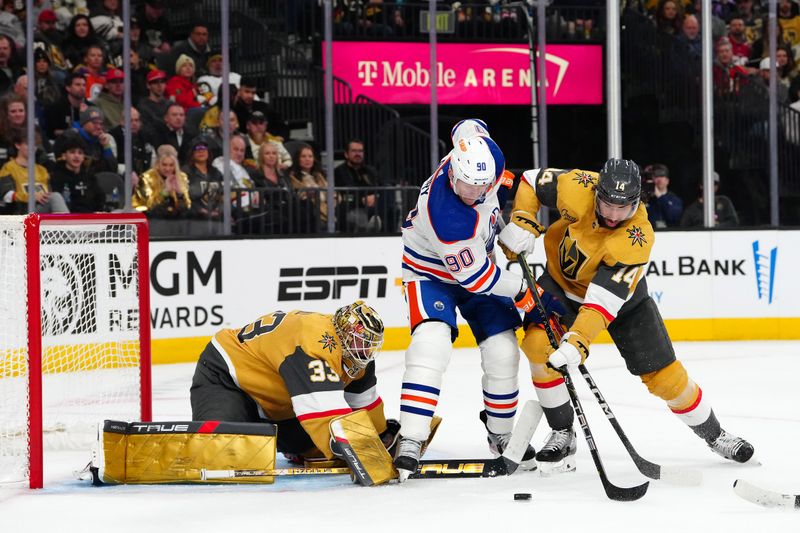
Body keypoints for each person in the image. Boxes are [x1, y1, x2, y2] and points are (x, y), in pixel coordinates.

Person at [497, 159, 755, 475]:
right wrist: (523, 220)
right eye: (607, 204)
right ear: (596, 193)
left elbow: (600, 305)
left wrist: (578, 342)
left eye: (624, 207)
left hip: (624, 305)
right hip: (560, 288)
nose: (614, 215)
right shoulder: (577, 184)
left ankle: (715, 435)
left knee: (665, 379)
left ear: (637, 201)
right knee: (538, 347)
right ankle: (563, 432)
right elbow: (531, 181)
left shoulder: (636, 238)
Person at [393, 119, 547, 481]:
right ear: (453, 172)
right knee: (430, 345)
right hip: (431, 272)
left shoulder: (481, 150)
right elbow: (477, 280)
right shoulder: (447, 215)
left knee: (503, 352)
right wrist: (524, 289)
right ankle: (411, 436)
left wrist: (510, 227)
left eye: (480, 186)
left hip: (479, 260)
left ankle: (500, 433)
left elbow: (468, 123)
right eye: (463, 184)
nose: (470, 193)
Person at [189, 300, 395, 465]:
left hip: (279, 404)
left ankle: (283, 442)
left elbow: (364, 403)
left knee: (318, 450)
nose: (365, 351)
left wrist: (382, 436)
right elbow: (324, 412)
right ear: (343, 333)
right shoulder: (314, 343)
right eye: (361, 342)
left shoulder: (359, 357)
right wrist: (360, 449)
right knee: (218, 453)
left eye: (369, 345)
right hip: (229, 379)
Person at [0, 131, 69, 215]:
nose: (32, 147)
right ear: (17, 145)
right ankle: (67, 226)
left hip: (40, 210)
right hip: (20, 213)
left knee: (54, 197)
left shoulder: (42, 170)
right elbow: (7, 196)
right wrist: (31, 197)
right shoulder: (8, 167)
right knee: (55, 197)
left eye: (35, 145)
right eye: (28, 144)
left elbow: (48, 195)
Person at [334, 138, 384, 233]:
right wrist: (363, 198)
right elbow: (345, 192)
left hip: (373, 206)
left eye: (360, 151)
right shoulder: (338, 172)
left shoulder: (370, 171)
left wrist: (375, 196)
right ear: (346, 154)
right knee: (359, 215)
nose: (358, 154)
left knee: (388, 205)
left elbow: (380, 186)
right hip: (351, 207)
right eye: (354, 151)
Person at [49, 133, 105, 213]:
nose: (76, 156)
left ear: (83, 157)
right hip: (69, 220)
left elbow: (100, 198)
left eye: (80, 153)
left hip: (92, 219)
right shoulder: (56, 177)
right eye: (72, 152)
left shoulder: (89, 177)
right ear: (64, 156)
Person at [132, 147, 191, 218]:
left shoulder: (181, 177)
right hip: (147, 216)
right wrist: (165, 192)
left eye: (171, 165)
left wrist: (179, 194)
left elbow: (187, 205)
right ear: (158, 164)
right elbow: (151, 206)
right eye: (164, 165)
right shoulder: (147, 178)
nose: (167, 169)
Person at [643, 163, 683, 228]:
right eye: (656, 176)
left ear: (667, 181)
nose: (659, 179)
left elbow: (674, 218)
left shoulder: (675, 200)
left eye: (661, 176)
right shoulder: (647, 199)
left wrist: (659, 195)